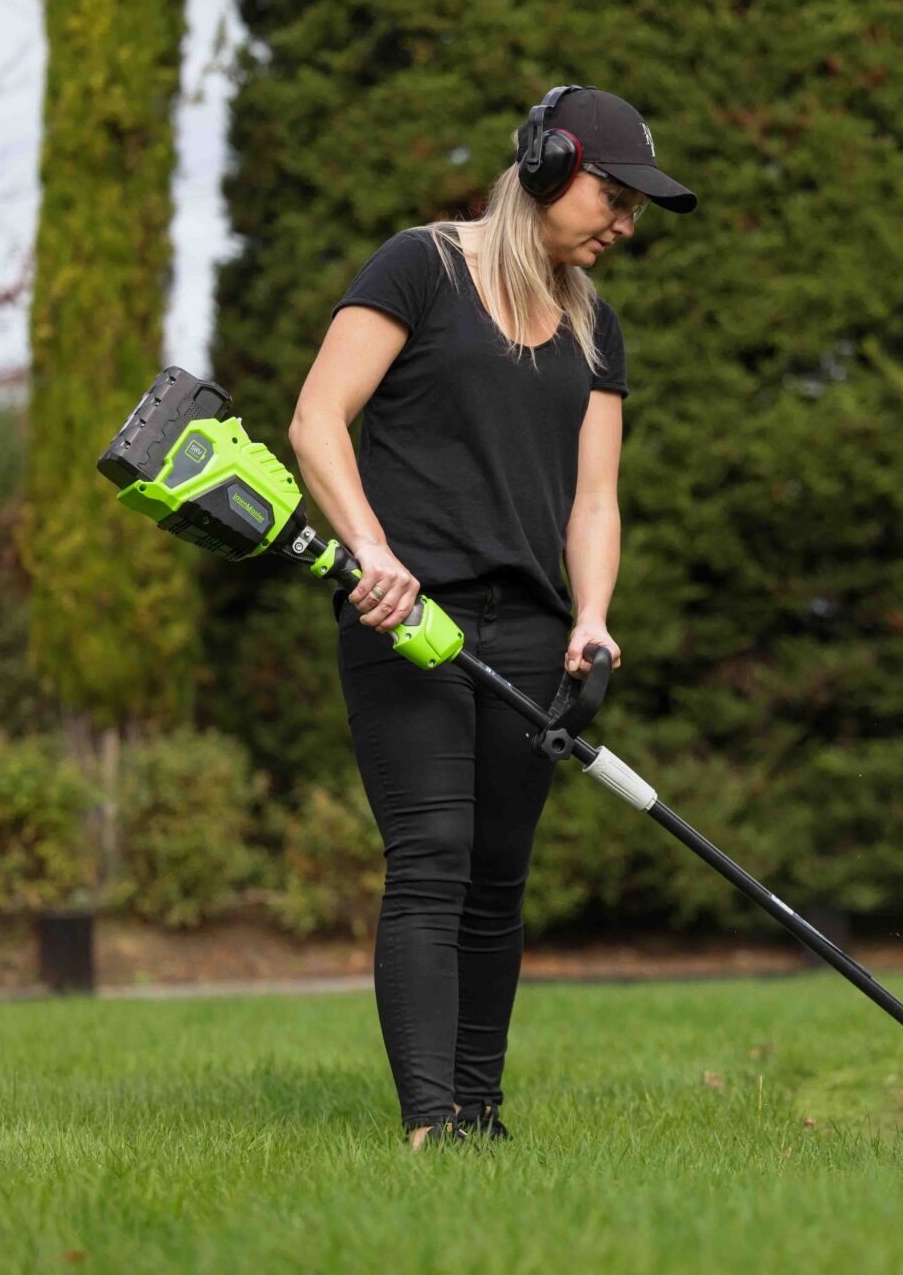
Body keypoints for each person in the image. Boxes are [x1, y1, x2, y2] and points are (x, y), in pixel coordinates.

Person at [287, 87, 698, 1152]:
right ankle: (432, 1124)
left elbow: (593, 496)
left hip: (525, 628)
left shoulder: (592, 323)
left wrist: (593, 616)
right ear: (547, 163)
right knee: (431, 855)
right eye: (613, 196)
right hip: (405, 615)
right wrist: (371, 553)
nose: (624, 223)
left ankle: (481, 1116)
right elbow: (315, 419)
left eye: (635, 207)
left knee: (497, 880)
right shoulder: (417, 266)